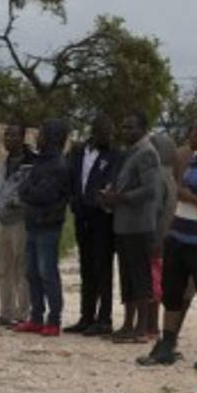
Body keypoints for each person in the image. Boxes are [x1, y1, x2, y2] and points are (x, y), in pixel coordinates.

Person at [138, 114, 197, 370]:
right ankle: (166, 346)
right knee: (172, 294)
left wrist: (191, 198)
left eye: (192, 131)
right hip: (178, 237)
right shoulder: (192, 161)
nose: (188, 136)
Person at [99, 111, 160, 342]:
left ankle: (141, 327)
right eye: (123, 127)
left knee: (140, 277)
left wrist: (120, 198)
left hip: (139, 225)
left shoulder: (146, 153)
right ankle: (128, 324)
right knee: (127, 277)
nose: (125, 131)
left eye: (130, 127)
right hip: (124, 224)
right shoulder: (130, 152)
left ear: (143, 129)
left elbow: (150, 190)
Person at [14, 119, 72, 337]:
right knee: (32, 273)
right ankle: (36, 317)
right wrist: (28, 190)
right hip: (34, 222)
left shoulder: (58, 164)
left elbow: (40, 194)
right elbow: (26, 189)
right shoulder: (41, 161)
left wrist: (28, 190)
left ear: (52, 137)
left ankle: (53, 320)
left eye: (41, 133)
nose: (37, 137)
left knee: (47, 272)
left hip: (48, 224)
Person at [65, 114, 121, 335]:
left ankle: (104, 318)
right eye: (106, 132)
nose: (110, 137)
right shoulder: (78, 152)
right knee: (86, 268)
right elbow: (72, 178)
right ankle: (86, 316)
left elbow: (112, 181)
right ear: (95, 132)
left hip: (102, 218)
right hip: (82, 216)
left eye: (111, 133)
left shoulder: (115, 155)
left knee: (103, 268)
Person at [0, 124, 33, 326]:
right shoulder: (4, 162)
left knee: (21, 268)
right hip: (3, 221)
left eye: (13, 135)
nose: (8, 139)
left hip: (21, 221)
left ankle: (22, 314)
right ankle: (6, 312)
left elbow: (33, 192)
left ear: (22, 138)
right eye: (6, 135)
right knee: (4, 268)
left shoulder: (31, 164)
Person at [149, 131, 178, 338]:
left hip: (155, 236)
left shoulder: (158, 176)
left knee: (152, 282)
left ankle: (150, 325)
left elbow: (154, 209)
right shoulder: (170, 175)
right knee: (159, 281)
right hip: (167, 235)